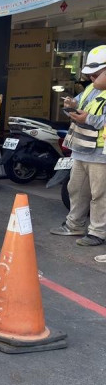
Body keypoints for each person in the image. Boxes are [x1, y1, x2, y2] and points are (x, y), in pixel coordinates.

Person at [51, 44, 106, 246]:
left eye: (96, 74)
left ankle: (98, 232)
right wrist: (72, 106)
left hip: (101, 153)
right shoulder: (92, 89)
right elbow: (78, 103)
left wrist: (88, 119)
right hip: (82, 150)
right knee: (76, 189)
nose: (92, 79)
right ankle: (74, 225)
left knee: (99, 194)